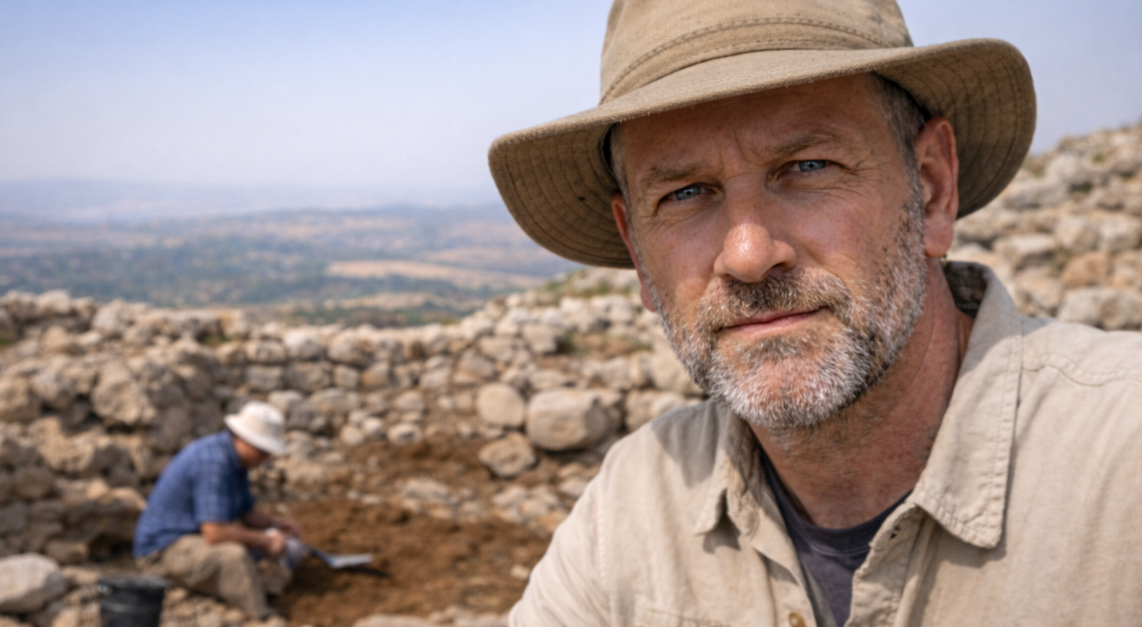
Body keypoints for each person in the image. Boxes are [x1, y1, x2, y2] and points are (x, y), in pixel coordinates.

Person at [487, 0, 1142, 625]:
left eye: (806, 165)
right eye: (685, 193)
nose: (748, 256)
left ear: (931, 188)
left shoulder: (1122, 463)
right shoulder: (631, 507)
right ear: (637, 249)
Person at [133, 401, 305, 618]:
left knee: (290, 548)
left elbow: (247, 512)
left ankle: (261, 584)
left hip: (193, 539)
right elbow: (215, 532)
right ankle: (260, 615)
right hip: (164, 549)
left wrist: (274, 525)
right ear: (243, 439)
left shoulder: (236, 461)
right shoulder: (213, 463)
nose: (266, 458)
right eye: (262, 451)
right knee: (233, 556)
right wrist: (265, 540)